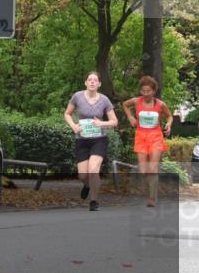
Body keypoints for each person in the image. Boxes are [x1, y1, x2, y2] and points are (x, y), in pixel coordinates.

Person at [62, 71, 117, 211]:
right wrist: (73, 126)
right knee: (83, 175)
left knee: (93, 170)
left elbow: (114, 121)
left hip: (99, 140)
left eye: (95, 80)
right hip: (82, 140)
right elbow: (67, 114)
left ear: (99, 84)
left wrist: (102, 124)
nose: (92, 82)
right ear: (85, 82)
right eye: (89, 80)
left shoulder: (104, 100)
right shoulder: (77, 96)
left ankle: (94, 201)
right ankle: (87, 185)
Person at [122, 75, 174, 207]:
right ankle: (151, 189)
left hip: (155, 136)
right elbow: (125, 105)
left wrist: (168, 125)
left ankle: (152, 197)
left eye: (148, 91)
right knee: (143, 170)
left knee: (153, 168)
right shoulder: (136, 101)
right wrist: (130, 117)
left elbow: (169, 116)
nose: (145, 93)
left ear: (153, 91)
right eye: (143, 91)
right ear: (140, 91)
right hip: (140, 136)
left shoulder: (160, 104)